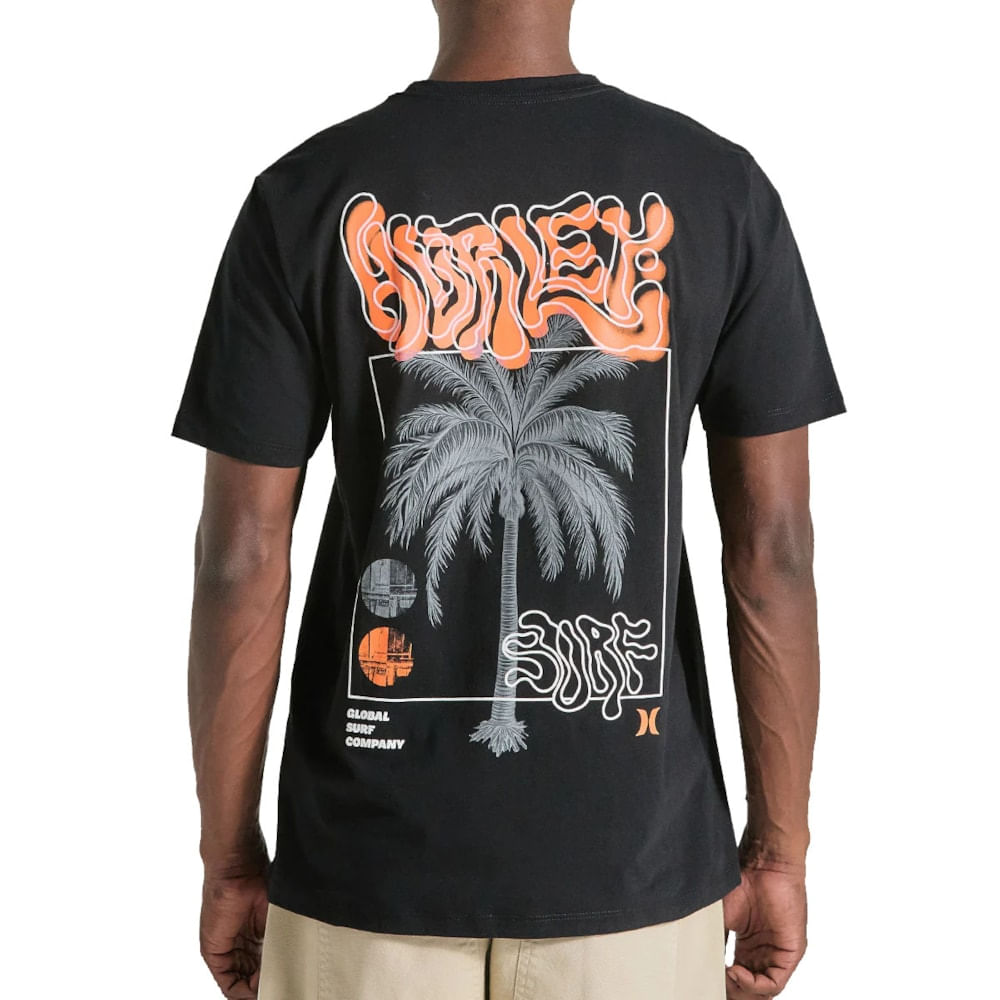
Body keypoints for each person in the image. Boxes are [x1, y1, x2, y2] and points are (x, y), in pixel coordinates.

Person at [171, 1, 846, 997]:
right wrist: (779, 853)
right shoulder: (718, 188)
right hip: (634, 875)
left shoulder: (306, 193)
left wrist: (229, 857)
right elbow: (774, 551)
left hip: (366, 871)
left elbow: (239, 557)